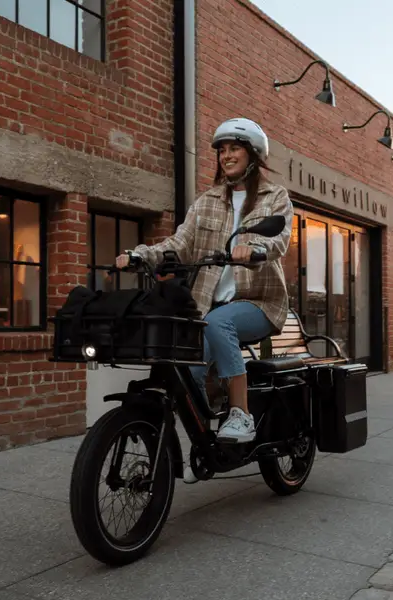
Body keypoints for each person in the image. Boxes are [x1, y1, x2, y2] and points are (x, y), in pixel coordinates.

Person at [115, 117, 293, 447]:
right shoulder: (207, 201)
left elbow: (279, 238)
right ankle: (202, 444)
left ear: (253, 155)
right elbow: (179, 244)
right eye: (222, 150)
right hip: (206, 308)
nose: (226, 156)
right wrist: (141, 255)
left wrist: (253, 249)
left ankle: (241, 414)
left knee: (218, 323)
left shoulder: (274, 196)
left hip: (258, 303)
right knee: (188, 373)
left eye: (235, 149)